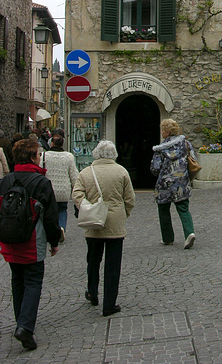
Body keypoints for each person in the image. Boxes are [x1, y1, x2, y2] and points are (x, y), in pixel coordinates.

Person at [0, 138, 62, 350]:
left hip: (9, 240)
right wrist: (54, 242)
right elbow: (51, 218)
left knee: (17, 280)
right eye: (37, 154)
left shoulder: (6, 181)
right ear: (32, 157)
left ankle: (21, 321)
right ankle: (25, 326)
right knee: (33, 281)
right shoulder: (41, 182)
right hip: (32, 240)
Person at [72, 140, 135, 317]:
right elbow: (129, 199)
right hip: (115, 223)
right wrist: (123, 214)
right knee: (113, 265)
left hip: (93, 223)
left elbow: (76, 193)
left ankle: (92, 292)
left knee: (93, 260)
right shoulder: (121, 171)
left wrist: (86, 207)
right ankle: (109, 304)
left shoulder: (86, 173)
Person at [150, 119, 197, 249]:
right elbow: (193, 159)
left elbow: (155, 168)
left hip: (164, 184)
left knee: (164, 210)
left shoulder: (160, 148)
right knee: (183, 208)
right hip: (181, 182)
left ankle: (167, 238)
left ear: (166, 132)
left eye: (162, 129)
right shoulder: (185, 144)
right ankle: (189, 233)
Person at [44, 134, 79, 232]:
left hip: (48, 190)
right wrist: (76, 190)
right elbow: (74, 175)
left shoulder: (44, 156)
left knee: (48, 210)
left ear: (52, 143)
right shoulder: (69, 157)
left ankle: (51, 230)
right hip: (63, 190)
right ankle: (61, 228)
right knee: (62, 209)